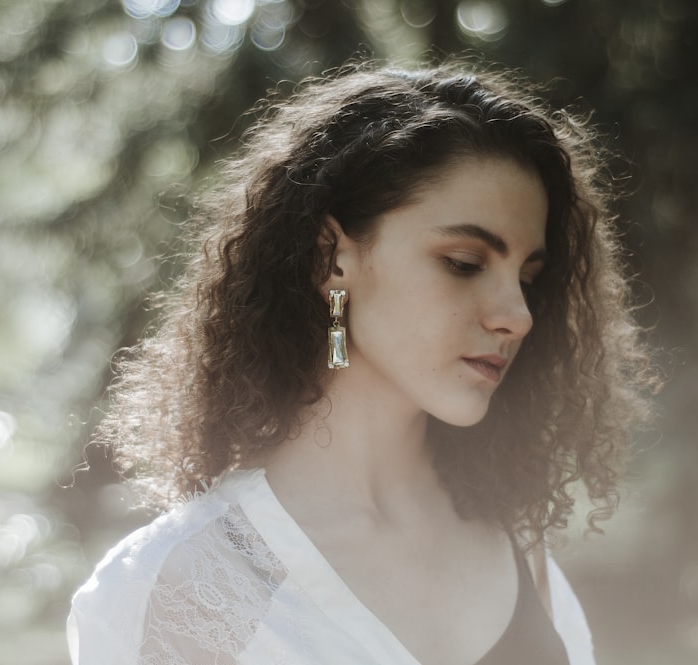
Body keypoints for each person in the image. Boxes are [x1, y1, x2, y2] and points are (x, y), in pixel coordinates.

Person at [67, 60, 656, 665]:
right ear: (331, 260)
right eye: (464, 262)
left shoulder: (515, 542)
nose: (518, 315)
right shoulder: (183, 585)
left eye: (528, 277)